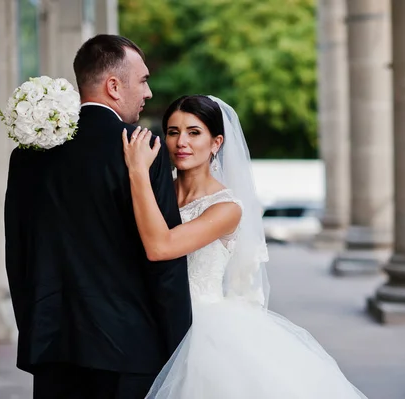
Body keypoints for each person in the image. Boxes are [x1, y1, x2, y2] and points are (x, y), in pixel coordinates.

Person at [122, 94, 367, 398]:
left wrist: (137, 172)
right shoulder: (158, 192)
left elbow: (162, 247)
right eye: (173, 132)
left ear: (216, 142)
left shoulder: (226, 208)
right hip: (144, 319)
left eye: (194, 132)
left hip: (201, 330)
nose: (181, 141)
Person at [4, 35, 192, 399]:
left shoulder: (27, 154)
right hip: (130, 350)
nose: (149, 93)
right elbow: (165, 264)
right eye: (143, 80)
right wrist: (179, 348)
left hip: (51, 345)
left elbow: (18, 253)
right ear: (113, 86)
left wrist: (34, 329)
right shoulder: (142, 148)